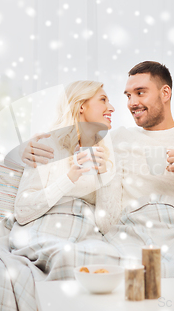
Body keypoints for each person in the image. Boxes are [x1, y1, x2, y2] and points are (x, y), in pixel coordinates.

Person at [21, 61, 174, 233]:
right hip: (133, 234)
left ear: (165, 93)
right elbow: (74, 146)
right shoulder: (117, 140)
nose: (131, 103)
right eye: (127, 95)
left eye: (140, 93)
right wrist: (30, 150)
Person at [13, 80, 115, 227]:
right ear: (81, 106)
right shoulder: (46, 146)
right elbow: (22, 212)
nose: (111, 108)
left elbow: (108, 226)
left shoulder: (106, 155)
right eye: (103, 100)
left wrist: (103, 174)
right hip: (46, 229)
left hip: (84, 235)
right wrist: (69, 179)